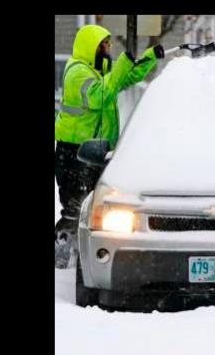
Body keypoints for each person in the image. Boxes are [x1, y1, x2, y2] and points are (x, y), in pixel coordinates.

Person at [54, 24, 164, 267]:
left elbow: (126, 78)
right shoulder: (77, 72)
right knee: (74, 207)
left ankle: (81, 255)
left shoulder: (98, 70)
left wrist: (148, 57)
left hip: (95, 151)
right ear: (92, 47)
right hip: (74, 153)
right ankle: (61, 258)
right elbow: (100, 96)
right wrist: (122, 64)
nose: (108, 48)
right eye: (104, 45)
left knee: (92, 206)